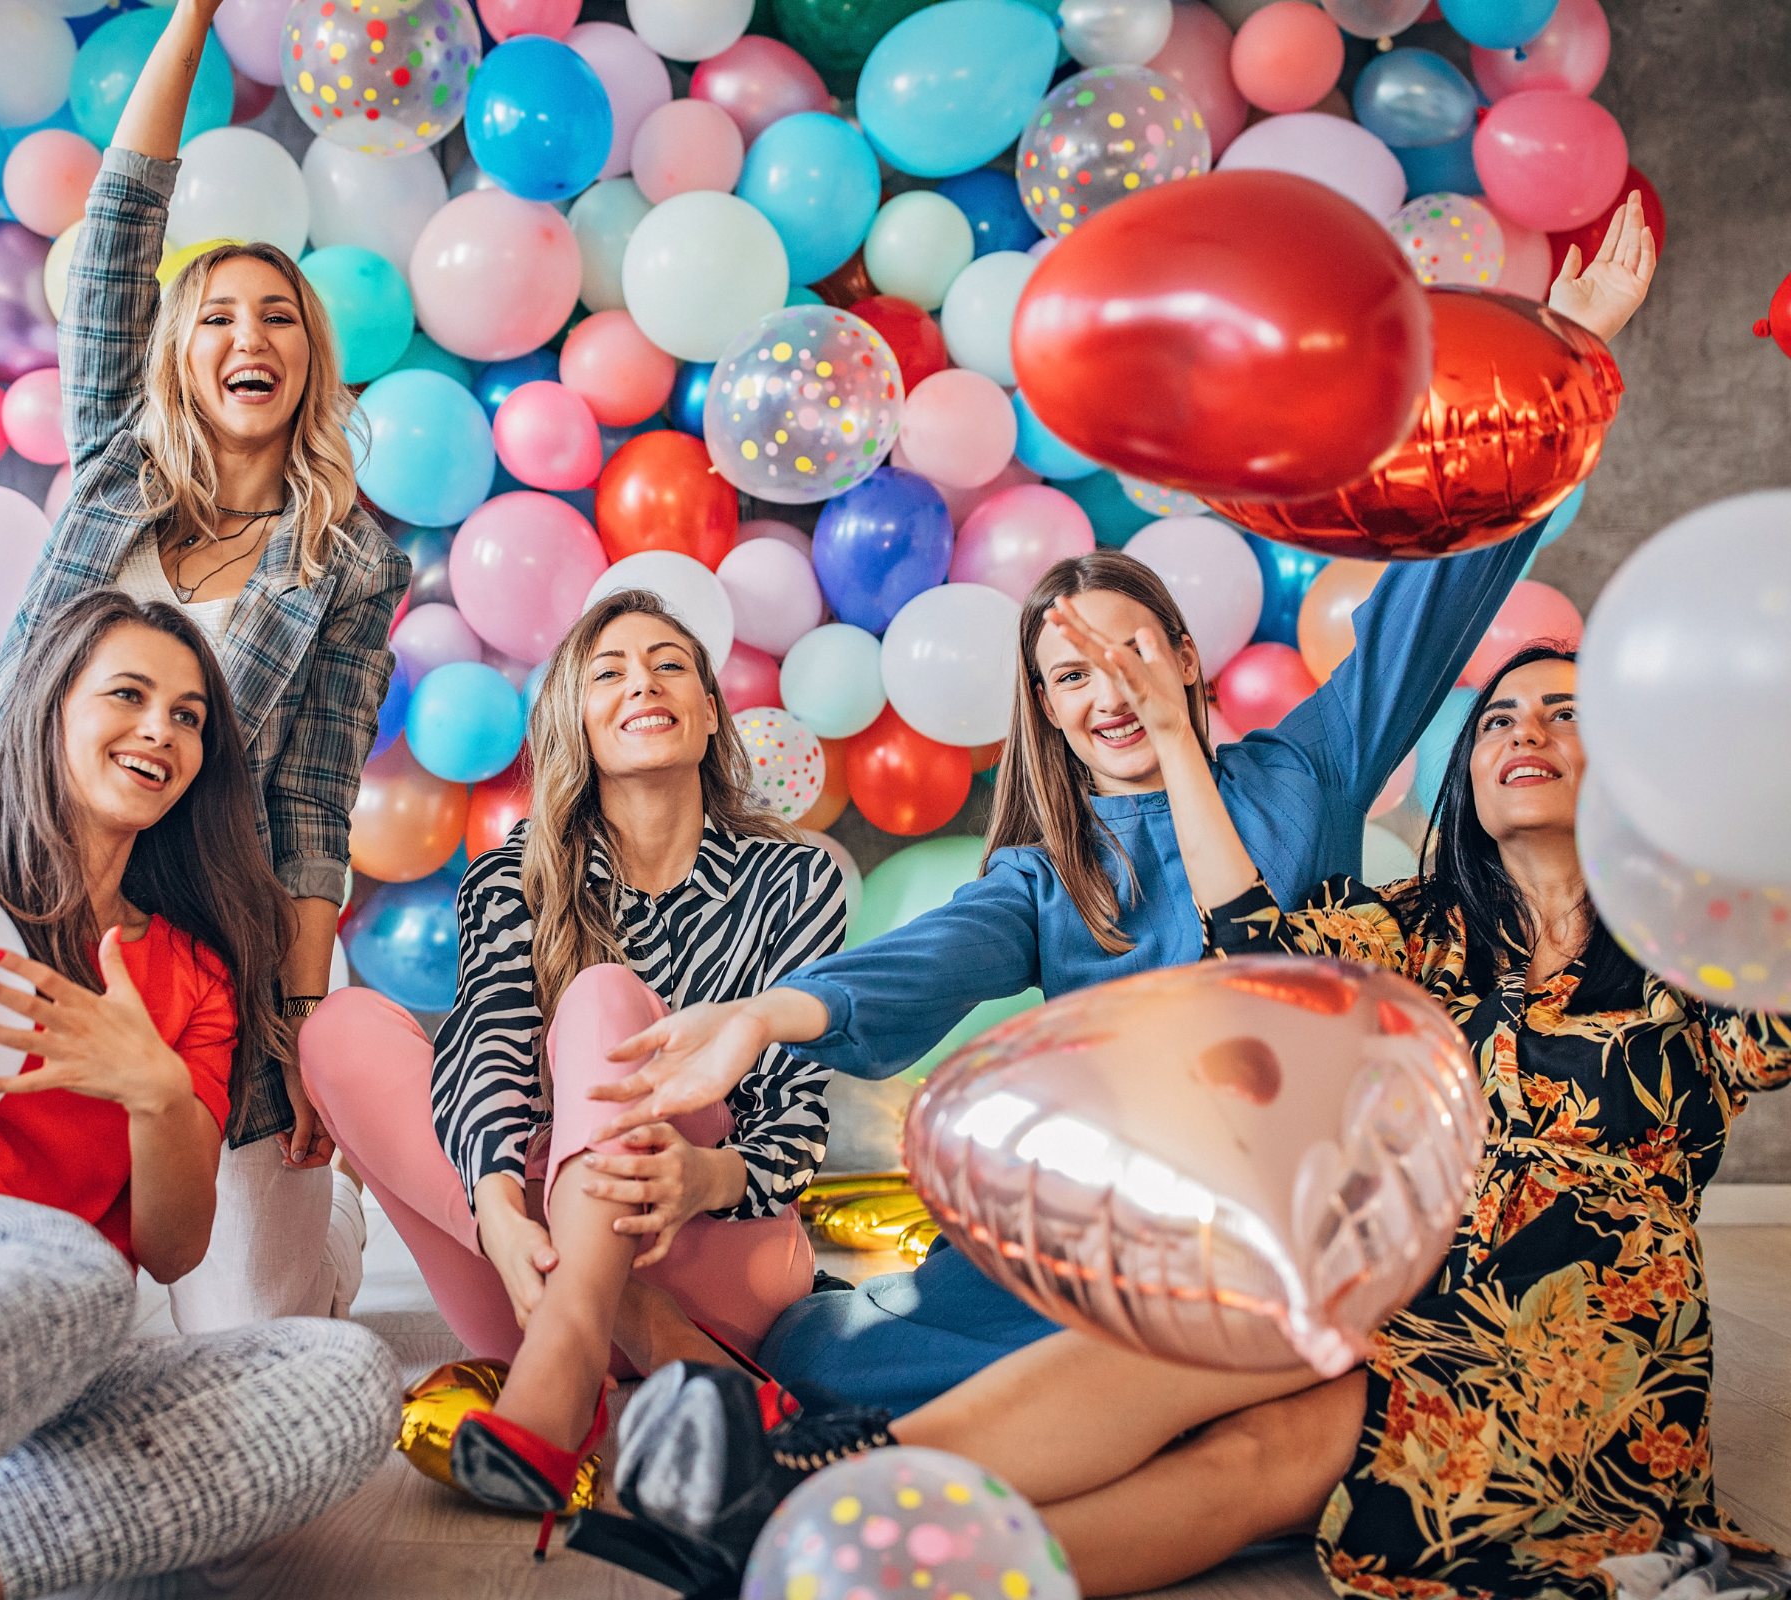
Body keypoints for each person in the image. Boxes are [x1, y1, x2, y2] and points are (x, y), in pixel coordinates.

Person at [581, 193, 1662, 1417]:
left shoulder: (1295, 776)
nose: (1106, 695)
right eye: (1068, 676)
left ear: (1187, 662)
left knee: (1251, 1376)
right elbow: (923, 963)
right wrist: (762, 1014)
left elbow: (1436, 605)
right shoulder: (1051, 877)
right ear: (1043, 706)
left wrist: (1563, 352)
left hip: (1281, 1201)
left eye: (1129, 658)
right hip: (1098, 1223)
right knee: (844, 1361)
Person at [614, 630, 1791, 1600]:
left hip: (1576, 1343)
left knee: (1263, 1340)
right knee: (1257, 1451)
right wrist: (1177, 737)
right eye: (1495, 719)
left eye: (1563, 713)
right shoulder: (1413, 933)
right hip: (1402, 1298)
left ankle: (801, 1493)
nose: (1520, 732)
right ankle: (872, 1563)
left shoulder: (1693, 955)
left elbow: (1773, 1031)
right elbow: (1256, 952)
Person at [0, 590, 399, 1600]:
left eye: (189, 715)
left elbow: (167, 1249)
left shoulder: (197, 975)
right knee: (72, 1269)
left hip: (46, 1347)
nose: (160, 728)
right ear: (53, 708)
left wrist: (156, 1093)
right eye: (128, 693)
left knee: (344, 1376)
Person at [0, 0, 408, 1333]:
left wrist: (308, 1030)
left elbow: (316, 811)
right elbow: (120, 226)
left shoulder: (351, 566)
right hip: (31, 882)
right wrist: (196, 12)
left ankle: (329, 1219)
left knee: (261, 1326)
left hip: (213, 930)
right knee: (24, 1259)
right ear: (178, 353)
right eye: (215, 317)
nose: (247, 338)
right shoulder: (112, 469)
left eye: (278, 319)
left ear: (311, 362)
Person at [297, 591, 850, 1548]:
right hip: (529, 1271)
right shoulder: (512, 874)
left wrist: (704, 1174)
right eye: (609, 671)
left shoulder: (795, 879)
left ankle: (570, 1371)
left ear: (711, 710)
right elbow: (489, 1046)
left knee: (601, 995)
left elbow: (795, 1121)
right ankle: (623, 1329)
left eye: (671, 664)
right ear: (576, 720)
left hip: (724, 1252)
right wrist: (498, 1208)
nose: (644, 681)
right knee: (337, 1029)